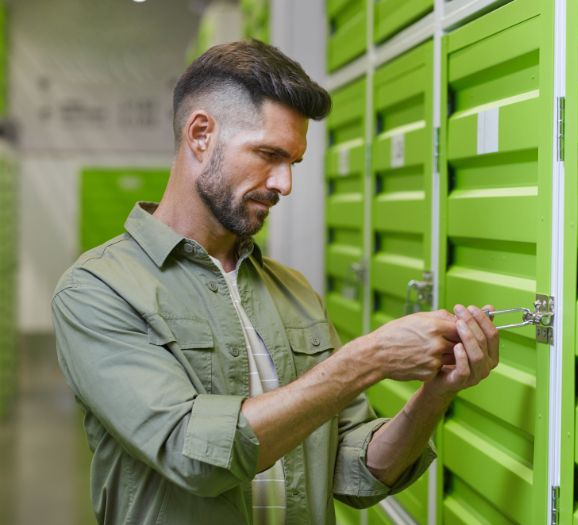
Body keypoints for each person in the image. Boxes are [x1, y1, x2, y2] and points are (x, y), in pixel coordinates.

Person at [52, 40, 498, 525]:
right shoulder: (98, 290)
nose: (285, 184)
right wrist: (366, 359)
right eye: (269, 154)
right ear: (201, 134)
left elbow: (355, 471)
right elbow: (191, 453)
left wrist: (436, 393)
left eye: (293, 163)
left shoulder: (293, 291)